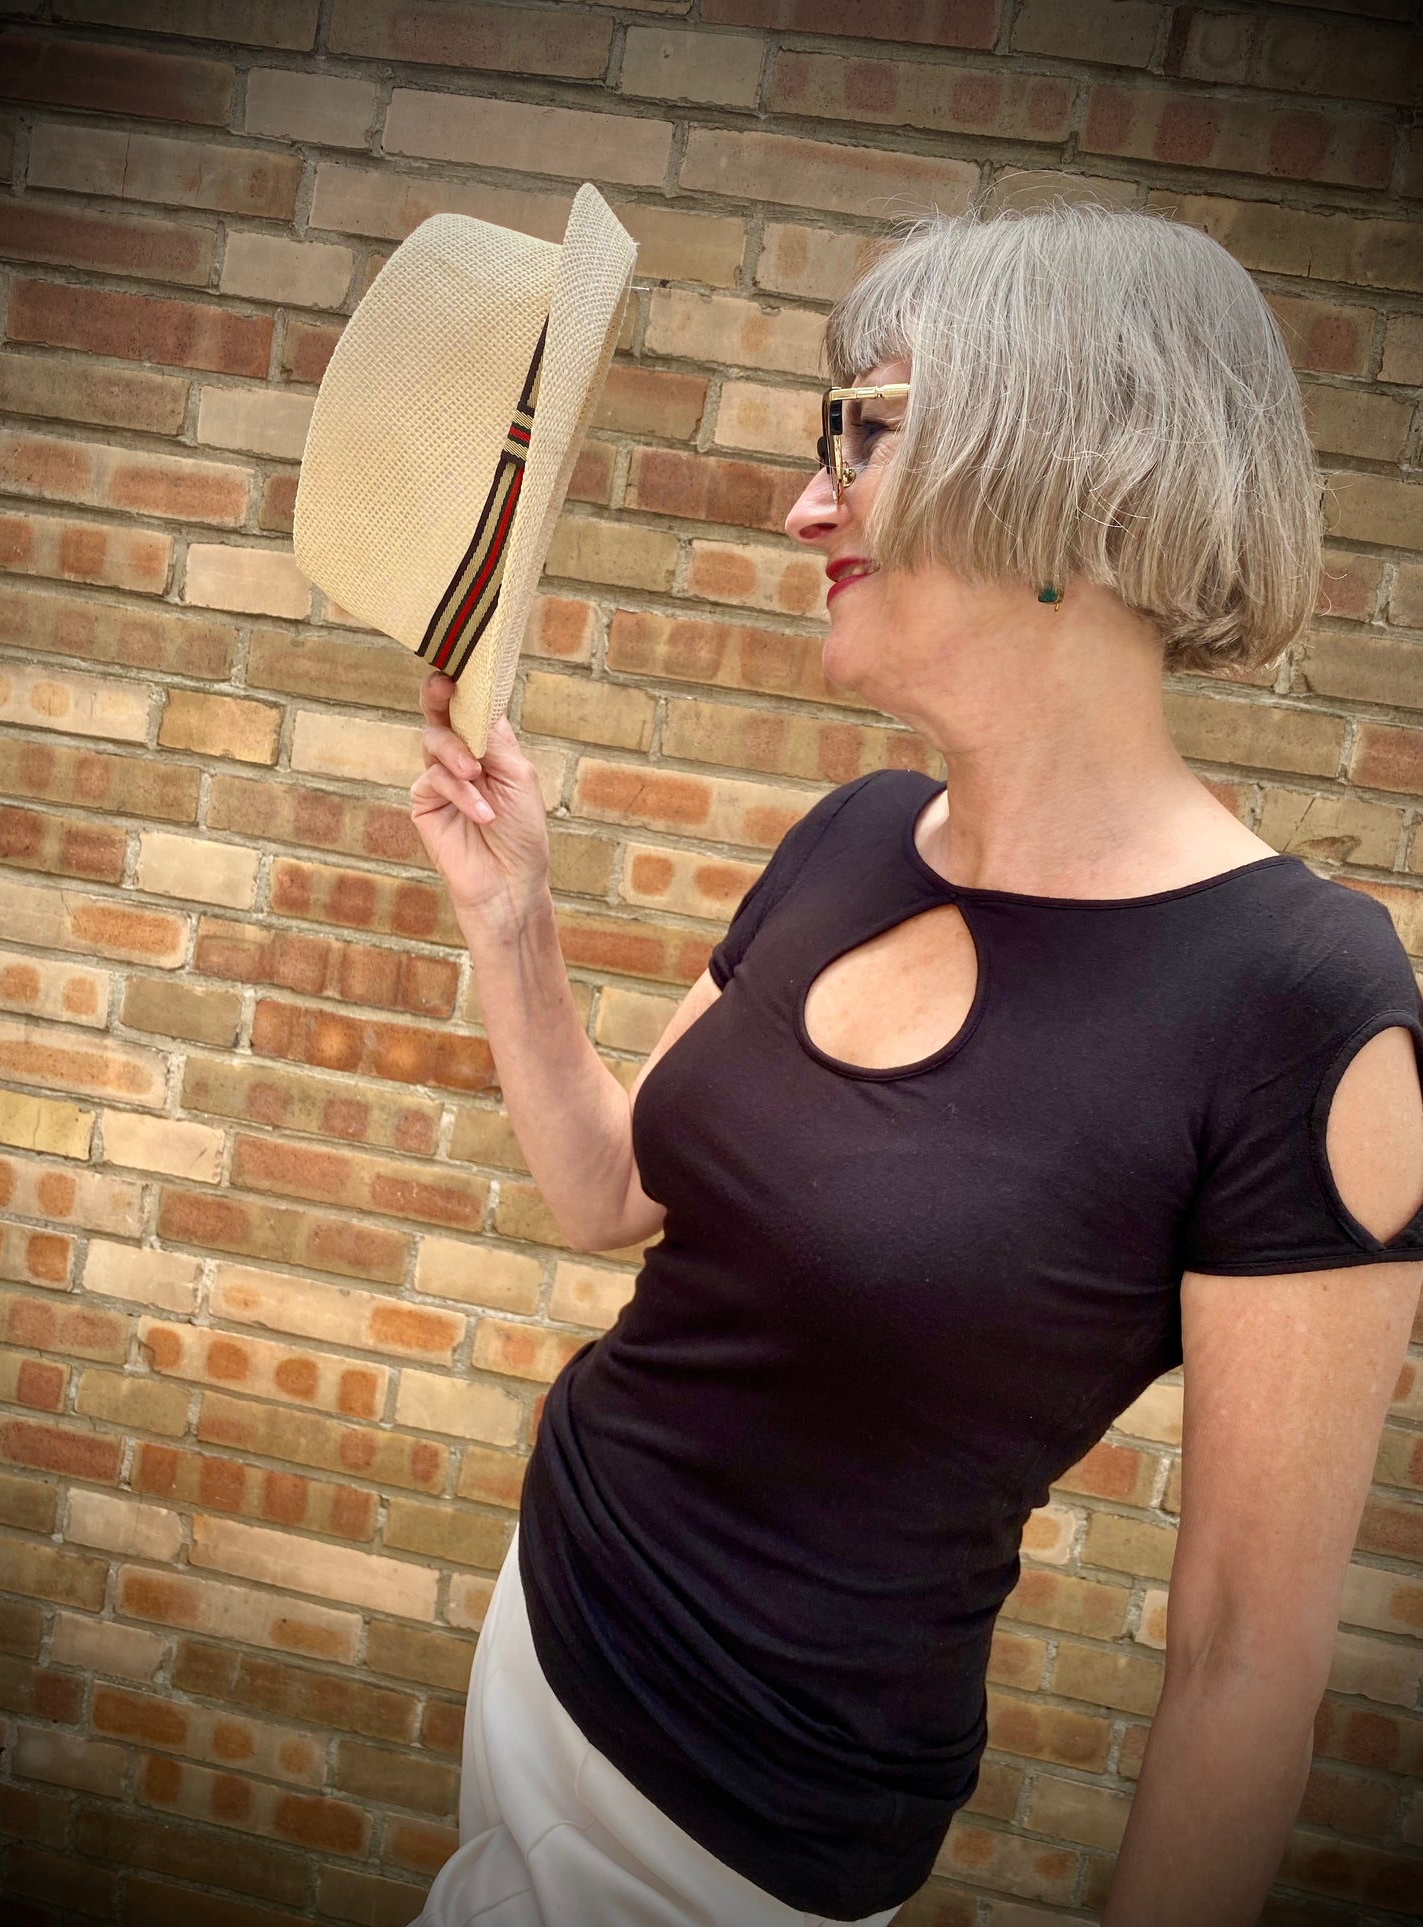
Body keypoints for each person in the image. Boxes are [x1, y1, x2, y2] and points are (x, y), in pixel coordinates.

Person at [404, 203, 1423, 1927]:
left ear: (1077, 473)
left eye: (863, 432)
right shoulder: (855, 834)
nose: (807, 504)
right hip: (551, 1618)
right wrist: (513, 917)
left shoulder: (1297, 996)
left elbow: (1242, 1658)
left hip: (749, 1809)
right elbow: (607, 1193)